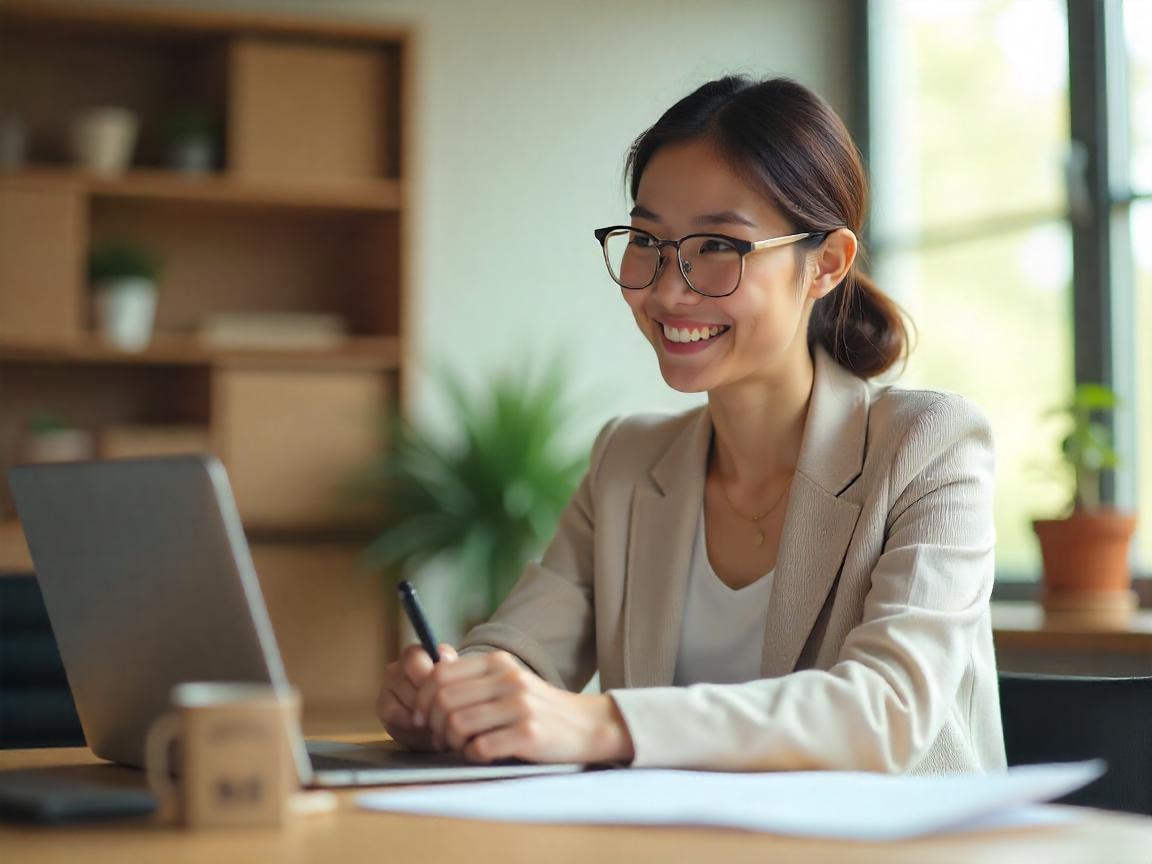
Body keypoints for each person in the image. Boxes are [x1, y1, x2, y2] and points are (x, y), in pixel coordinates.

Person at [375, 76, 1005, 774]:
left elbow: (885, 713)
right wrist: (458, 690)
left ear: (825, 264)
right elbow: (524, 649)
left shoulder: (929, 446)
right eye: (647, 240)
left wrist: (602, 723)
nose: (668, 288)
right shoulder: (628, 459)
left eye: (718, 247)